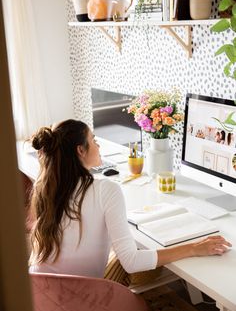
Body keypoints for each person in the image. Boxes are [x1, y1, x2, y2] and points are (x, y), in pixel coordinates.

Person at [29, 119, 231, 279]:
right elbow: (131, 262)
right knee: (134, 253)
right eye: (94, 140)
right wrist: (194, 248)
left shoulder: (46, 186)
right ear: (80, 151)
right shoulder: (105, 190)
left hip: (38, 294)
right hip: (80, 297)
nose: (98, 146)